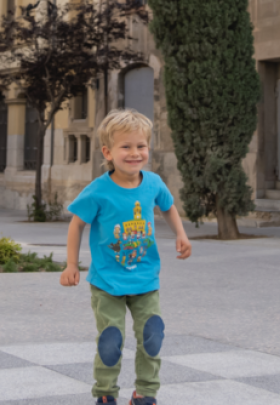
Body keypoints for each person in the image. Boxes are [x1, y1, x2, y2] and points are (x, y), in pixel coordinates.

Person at [60, 109, 192, 405]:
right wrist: (71, 265)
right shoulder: (98, 191)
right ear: (108, 152)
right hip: (107, 282)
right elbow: (77, 224)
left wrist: (180, 234)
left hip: (146, 280)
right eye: (126, 147)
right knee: (111, 340)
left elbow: (168, 206)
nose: (135, 153)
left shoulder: (154, 183)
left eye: (141, 146)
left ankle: (145, 393)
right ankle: (105, 395)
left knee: (152, 336)